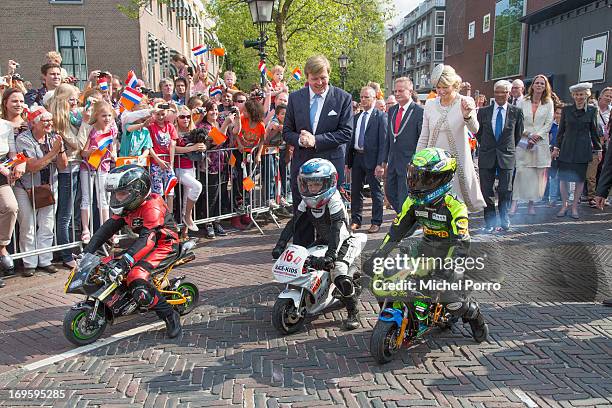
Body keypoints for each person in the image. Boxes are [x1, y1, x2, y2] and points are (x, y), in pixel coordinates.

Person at [364, 147, 488, 342]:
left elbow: (462, 243)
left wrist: (447, 271)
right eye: (414, 176)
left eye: (423, 178)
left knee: (451, 300)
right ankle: (404, 317)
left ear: (441, 179)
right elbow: (396, 231)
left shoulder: (456, 206)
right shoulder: (412, 202)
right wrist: (378, 255)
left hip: (451, 256)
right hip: (424, 250)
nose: (416, 183)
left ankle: (473, 314)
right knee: (383, 279)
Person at [82, 165, 182, 338]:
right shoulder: (128, 206)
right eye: (116, 194)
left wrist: (126, 261)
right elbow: (106, 229)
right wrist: (87, 252)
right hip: (146, 244)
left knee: (136, 276)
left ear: (137, 190)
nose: (117, 198)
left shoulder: (152, 207)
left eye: (122, 193)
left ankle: (169, 315)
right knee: (105, 265)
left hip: (165, 245)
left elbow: (148, 240)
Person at [272, 158, 361, 330]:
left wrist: (331, 256)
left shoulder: (334, 200)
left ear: (328, 183)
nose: (312, 188)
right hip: (324, 241)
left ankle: (353, 311)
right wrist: (280, 244)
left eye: (316, 185)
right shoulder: (306, 201)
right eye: (309, 184)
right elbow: (294, 223)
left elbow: (336, 229)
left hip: (342, 242)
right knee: (303, 262)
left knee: (339, 273)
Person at [282, 55, 353, 247]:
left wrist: (316, 141)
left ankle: (331, 258)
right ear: (307, 77)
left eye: (323, 77)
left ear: (329, 74)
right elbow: (286, 132)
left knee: (330, 218)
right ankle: (301, 257)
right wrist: (300, 140)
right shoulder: (296, 98)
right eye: (315, 79)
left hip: (330, 168)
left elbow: (346, 133)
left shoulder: (343, 98)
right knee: (302, 215)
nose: (319, 83)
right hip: (303, 169)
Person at [417, 64, 485, 213]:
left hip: (456, 161)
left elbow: (475, 129)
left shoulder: (465, 101)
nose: (440, 92)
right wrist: (418, 160)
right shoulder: (429, 104)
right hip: (433, 161)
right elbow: (424, 135)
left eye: (445, 87)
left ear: (454, 85)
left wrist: (467, 115)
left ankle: (457, 230)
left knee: (455, 202)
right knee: (433, 200)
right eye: (437, 88)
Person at [15, 107, 68, 276]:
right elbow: (31, 166)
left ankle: (45, 260)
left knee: (47, 224)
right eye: (45, 120)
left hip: (49, 187)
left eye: (50, 120)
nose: (49, 123)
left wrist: (59, 150)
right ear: (34, 123)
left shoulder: (54, 138)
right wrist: (53, 152)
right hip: (26, 187)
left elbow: (63, 165)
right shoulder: (23, 139)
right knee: (28, 225)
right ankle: (29, 262)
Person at [475, 80, 524, 232]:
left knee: (505, 189)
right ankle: (490, 221)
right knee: (486, 190)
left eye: (503, 92)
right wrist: (488, 145)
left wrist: (506, 148)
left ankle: (504, 218)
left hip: (507, 155)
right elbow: (479, 133)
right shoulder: (483, 111)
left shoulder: (516, 112)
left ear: (509, 94)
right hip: (487, 154)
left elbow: (518, 134)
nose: (500, 95)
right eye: (497, 92)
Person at [552, 82, 602, 219]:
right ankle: (564, 205)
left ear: (587, 95)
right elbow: (561, 131)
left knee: (580, 180)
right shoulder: (566, 110)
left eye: (582, 94)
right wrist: (556, 147)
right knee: (563, 179)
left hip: (582, 149)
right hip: (567, 148)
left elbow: (594, 131)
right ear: (573, 96)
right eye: (576, 94)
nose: (579, 97)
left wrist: (599, 149)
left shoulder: (592, 110)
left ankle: (574, 207)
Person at [48, 84, 84, 267]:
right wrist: (86, 122)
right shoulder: (59, 121)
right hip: (66, 170)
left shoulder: (69, 117)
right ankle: (65, 254)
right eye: (72, 99)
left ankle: (69, 250)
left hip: (74, 167)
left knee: (70, 214)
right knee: (65, 215)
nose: (75, 103)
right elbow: (77, 143)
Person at [510, 74, 554, 216]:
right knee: (521, 173)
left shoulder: (549, 103)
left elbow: (548, 123)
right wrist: (528, 136)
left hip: (540, 142)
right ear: (532, 85)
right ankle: (514, 203)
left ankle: (531, 204)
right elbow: (518, 121)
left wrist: (537, 136)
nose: (539, 85)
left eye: (542, 83)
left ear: (545, 86)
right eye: (537, 83)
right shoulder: (524, 101)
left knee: (536, 175)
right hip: (524, 141)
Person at [346, 86, 387, 233]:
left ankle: (376, 222)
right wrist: (348, 161)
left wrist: (381, 164)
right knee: (355, 191)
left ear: (374, 98)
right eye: (362, 97)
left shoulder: (380, 117)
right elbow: (351, 141)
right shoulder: (356, 117)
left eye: (367, 97)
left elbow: (383, 142)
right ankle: (356, 221)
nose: (363, 100)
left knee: (376, 192)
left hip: (373, 160)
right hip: (357, 158)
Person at [79, 100, 118, 244]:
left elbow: (113, 148)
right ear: (97, 115)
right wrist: (90, 152)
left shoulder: (111, 130)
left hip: (103, 167)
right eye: (103, 116)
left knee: (104, 199)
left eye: (109, 115)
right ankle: (85, 230)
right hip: (88, 167)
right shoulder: (91, 130)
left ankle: (106, 229)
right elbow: (83, 152)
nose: (107, 118)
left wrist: (114, 155)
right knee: (86, 199)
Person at [384, 77, 424, 213]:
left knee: (404, 197)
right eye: (395, 91)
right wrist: (384, 160)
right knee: (390, 192)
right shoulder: (392, 110)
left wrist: (417, 162)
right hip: (393, 161)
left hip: (409, 163)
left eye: (400, 90)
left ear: (410, 91)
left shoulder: (419, 111)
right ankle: (404, 217)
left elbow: (421, 139)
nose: (397, 94)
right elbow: (389, 138)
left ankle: (405, 224)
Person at [174, 106, 205, 232]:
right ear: (177, 118)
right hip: (179, 169)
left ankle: (184, 231)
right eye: (182, 116)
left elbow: (203, 144)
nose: (185, 119)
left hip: (191, 167)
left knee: (187, 197)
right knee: (197, 186)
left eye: (188, 116)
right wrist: (192, 148)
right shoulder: (174, 130)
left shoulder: (193, 129)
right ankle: (188, 216)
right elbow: (174, 149)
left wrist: (203, 147)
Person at [0, 119, 23, 285]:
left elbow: (12, 152)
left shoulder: (6, 125)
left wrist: (17, 163)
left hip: (2, 174)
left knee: (11, 206)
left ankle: (1, 247)